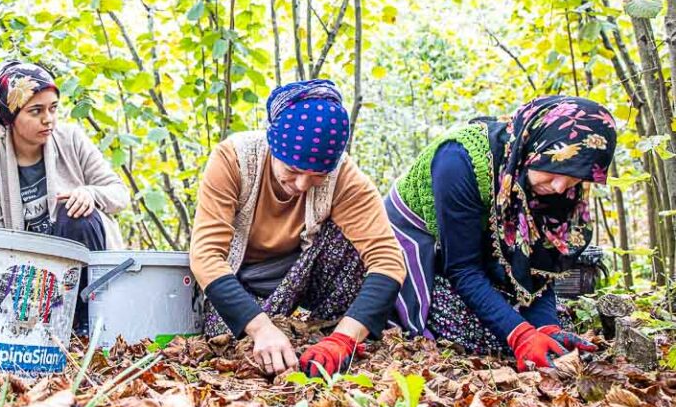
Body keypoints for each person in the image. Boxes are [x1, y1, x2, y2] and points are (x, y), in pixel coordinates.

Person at [190, 80, 406, 377]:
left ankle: (326, 330)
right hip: (243, 282)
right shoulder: (234, 160)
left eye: (318, 175)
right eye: (292, 170)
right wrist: (261, 328)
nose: (303, 185)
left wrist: (343, 340)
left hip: (304, 278)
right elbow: (205, 256)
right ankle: (279, 331)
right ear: (273, 147)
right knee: (230, 340)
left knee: (350, 241)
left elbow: (388, 261)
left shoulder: (344, 177)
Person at [387, 96, 616, 371]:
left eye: (576, 178)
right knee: (470, 330)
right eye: (555, 169)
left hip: (481, 248)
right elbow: (462, 268)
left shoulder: (554, 184)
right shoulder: (459, 161)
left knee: (552, 326)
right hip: (418, 243)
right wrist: (520, 336)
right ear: (536, 145)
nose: (559, 186)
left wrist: (546, 327)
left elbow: (540, 263)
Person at [0, 61, 131, 330]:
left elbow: (119, 194)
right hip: (30, 275)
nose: (49, 119)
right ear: (10, 116)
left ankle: (90, 320)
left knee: (76, 213)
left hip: (86, 263)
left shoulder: (71, 139)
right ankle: (53, 323)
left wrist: (89, 193)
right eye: (36, 111)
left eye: (53, 108)